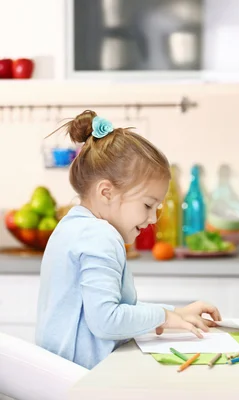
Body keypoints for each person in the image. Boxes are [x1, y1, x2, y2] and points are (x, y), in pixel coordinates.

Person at [35, 110, 222, 369]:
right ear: (107, 192)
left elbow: (111, 308)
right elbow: (106, 319)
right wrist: (164, 317)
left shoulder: (71, 227)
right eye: (148, 204)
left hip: (60, 376)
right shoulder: (100, 236)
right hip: (82, 382)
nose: (154, 218)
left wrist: (174, 314)